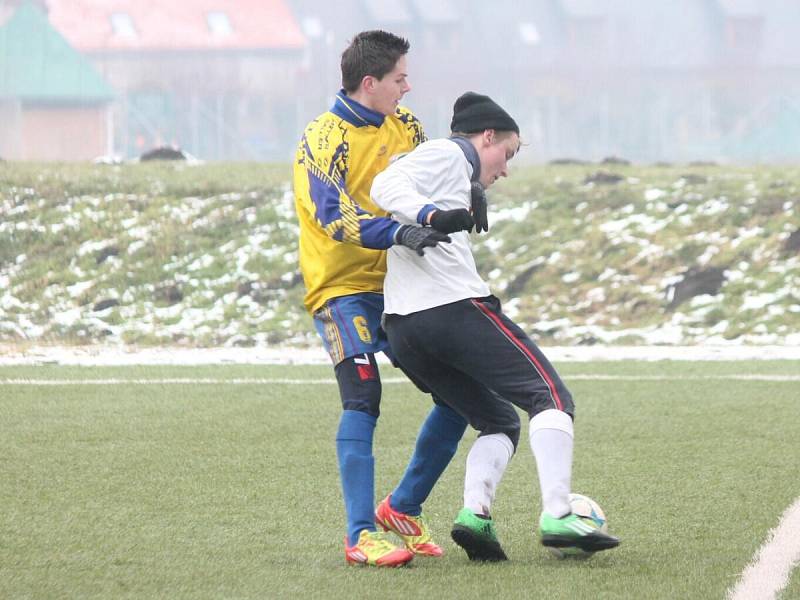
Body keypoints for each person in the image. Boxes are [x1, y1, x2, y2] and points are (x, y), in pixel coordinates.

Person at [370, 91, 621, 561]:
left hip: (404, 328)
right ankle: (559, 514)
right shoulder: (448, 152)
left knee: (499, 420)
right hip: (450, 310)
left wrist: (465, 193)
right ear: (486, 137)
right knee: (550, 396)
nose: (505, 168)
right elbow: (385, 185)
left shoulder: (455, 169)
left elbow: (409, 187)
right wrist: (431, 215)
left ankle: (475, 518)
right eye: (506, 153)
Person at [292, 30, 467, 567]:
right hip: (343, 293)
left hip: (402, 286)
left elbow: (432, 180)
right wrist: (398, 233)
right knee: (363, 399)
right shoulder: (322, 139)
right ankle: (360, 536)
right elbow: (333, 215)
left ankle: (403, 508)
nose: (407, 87)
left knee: (461, 393)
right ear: (370, 83)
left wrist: (472, 189)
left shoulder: (406, 126)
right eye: (399, 79)